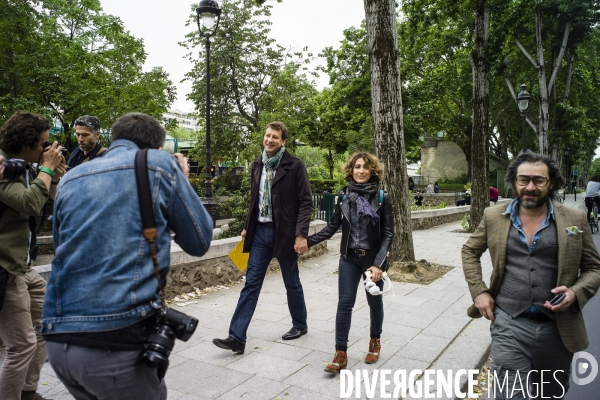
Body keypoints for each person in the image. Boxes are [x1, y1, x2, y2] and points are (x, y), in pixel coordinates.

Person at [41, 113, 213, 399]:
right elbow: (199, 241)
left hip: (59, 340)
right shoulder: (159, 166)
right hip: (115, 343)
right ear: (156, 148)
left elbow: (62, 246)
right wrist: (181, 180)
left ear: (115, 138)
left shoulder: (71, 177)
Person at [462, 153, 600, 399]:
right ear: (514, 181)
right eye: (523, 180)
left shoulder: (574, 219)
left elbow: (594, 268)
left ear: (552, 183)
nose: (530, 187)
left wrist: (575, 293)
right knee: (511, 393)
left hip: (558, 328)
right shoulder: (494, 216)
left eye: (539, 180)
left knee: (550, 392)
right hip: (509, 323)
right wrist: (479, 291)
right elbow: (470, 250)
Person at [213, 121, 313, 354]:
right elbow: (254, 200)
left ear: (283, 141)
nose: (270, 140)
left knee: (292, 282)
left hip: (286, 235)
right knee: (251, 283)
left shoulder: (295, 166)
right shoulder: (258, 163)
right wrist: (248, 227)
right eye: (267, 136)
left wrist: (301, 235)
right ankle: (236, 336)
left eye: (275, 137)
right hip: (260, 233)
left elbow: (306, 203)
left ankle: (300, 324)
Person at [305, 152, 393, 373]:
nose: (361, 171)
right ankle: (340, 354)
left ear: (372, 170)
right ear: (350, 170)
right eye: (357, 167)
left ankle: (375, 342)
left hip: (372, 260)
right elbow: (332, 227)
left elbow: (388, 234)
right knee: (344, 304)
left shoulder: (382, 197)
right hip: (349, 258)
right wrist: (307, 242)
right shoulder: (344, 196)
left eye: (365, 167)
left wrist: (379, 264)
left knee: (374, 302)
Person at [0, 112, 66, 400]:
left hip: (23, 266)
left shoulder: (25, 167)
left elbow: (49, 201)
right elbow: (28, 203)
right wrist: (47, 170)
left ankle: (28, 391)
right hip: (5, 267)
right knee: (21, 345)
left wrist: (52, 176)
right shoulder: (3, 168)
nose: (46, 149)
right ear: (25, 144)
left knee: (43, 326)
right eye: (42, 144)